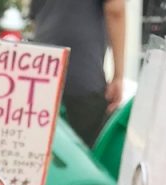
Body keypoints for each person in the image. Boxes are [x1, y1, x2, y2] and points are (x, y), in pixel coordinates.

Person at [29, 0, 126, 147]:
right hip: (83, 79)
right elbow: (116, 9)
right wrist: (118, 76)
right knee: (82, 160)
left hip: (40, 78)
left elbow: (37, 18)